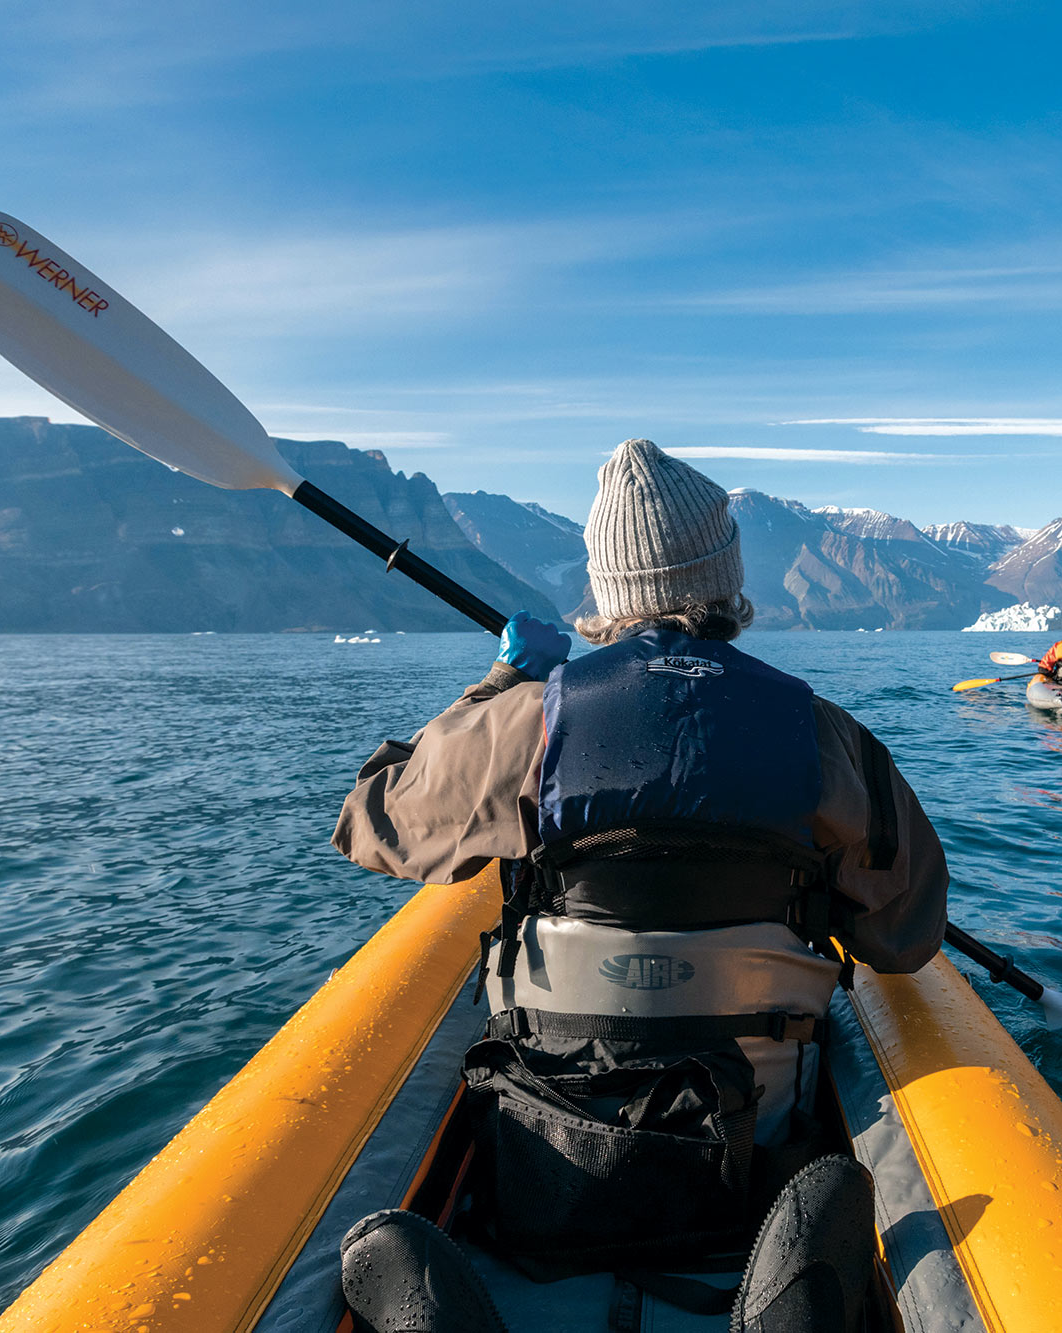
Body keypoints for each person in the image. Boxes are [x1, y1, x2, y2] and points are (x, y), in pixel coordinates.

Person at [330, 439, 950, 1333]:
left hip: (546, 1169)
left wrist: (500, 685)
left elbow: (371, 817)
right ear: (728, 576)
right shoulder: (823, 739)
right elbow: (909, 936)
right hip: (751, 1161)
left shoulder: (525, 727)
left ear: (607, 590)